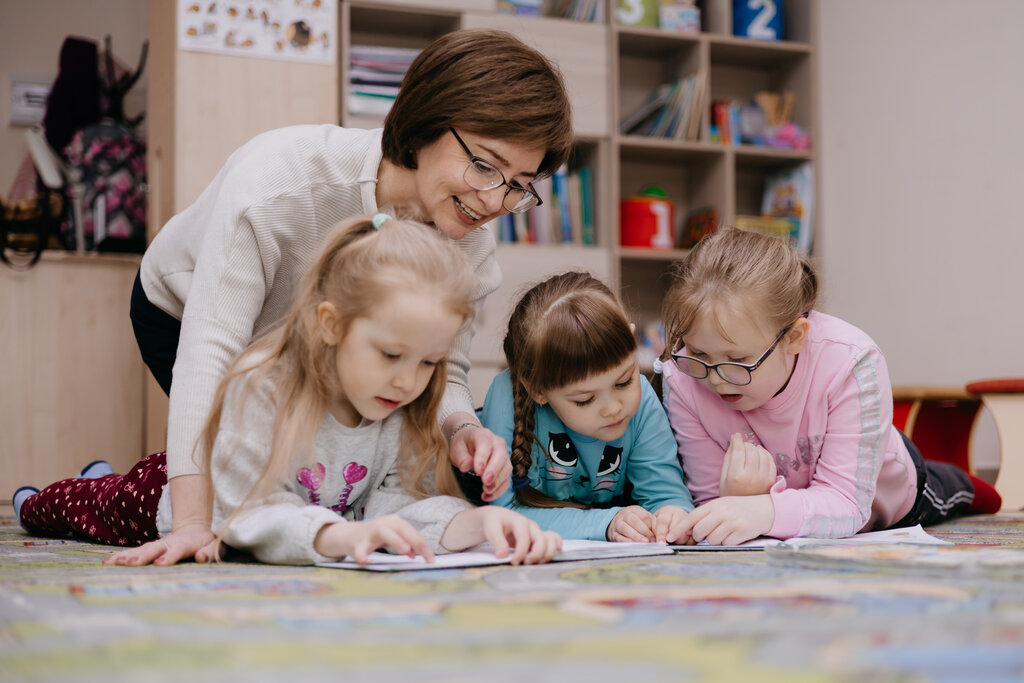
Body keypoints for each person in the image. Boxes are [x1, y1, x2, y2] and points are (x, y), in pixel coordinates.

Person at [124, 29, 574, 565]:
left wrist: (464, 429)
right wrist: (195, 526)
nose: (495, 199)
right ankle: (123, 491)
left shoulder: (469, 243)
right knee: (240, 480)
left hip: (338, 351)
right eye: (484, 165)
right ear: (427, 123)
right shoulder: (278, 185)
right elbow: (210, 350)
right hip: (186, 312)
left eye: (519, 185)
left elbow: (447, 373)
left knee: (336, 479)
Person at [16, 217, 562, 566]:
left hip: (297, 509)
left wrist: (479, 524)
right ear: (330, 325)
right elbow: (245, 513)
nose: (408, 380)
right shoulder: (263, 388)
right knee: (81, 506)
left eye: (429, 362)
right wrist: (339, 537)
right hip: (182, 493)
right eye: (391, 355)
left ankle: (93, 476)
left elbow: (397, 504)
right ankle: (44, 494)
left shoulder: (401, 402)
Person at [656, 228, 1002, 546]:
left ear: (794, 338)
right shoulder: (683, 376)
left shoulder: (851, 360)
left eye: (737, 360)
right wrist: (740, 502)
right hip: (778, 499)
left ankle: (966, 483)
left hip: (886, 497)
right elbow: (711, 505)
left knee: (950, 492)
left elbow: (849, 504)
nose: (715, 378)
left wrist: (759, 507)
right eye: (700, 354)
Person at [479, 271, 695, 542]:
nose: (613, 408)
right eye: (585, 399)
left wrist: (672, 516)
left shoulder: (643, 405)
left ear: (631, 339)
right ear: (537, 389)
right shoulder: (506, 399)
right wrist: (606, 523)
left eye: (624, 381)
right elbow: (502, 515)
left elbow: (666, 495)